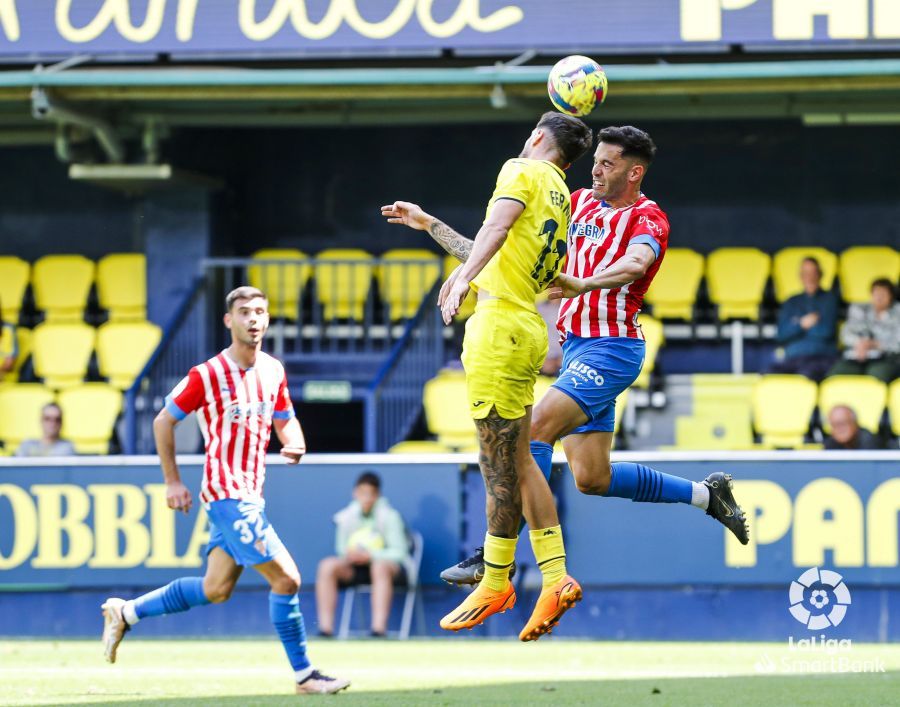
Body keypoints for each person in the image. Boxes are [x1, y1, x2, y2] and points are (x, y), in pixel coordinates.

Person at [439, 126, 750, 587]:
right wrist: (433, 226)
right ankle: (708, 495)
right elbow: (508, 247)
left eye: (608, 163)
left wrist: (583, 283)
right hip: (576, 349)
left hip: (612, 349)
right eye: (596, 160)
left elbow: (635, 265)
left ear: (634, 171)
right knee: (592, 478)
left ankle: (495, 552)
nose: (596, 169)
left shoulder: (649, 218)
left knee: (533, 433)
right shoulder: (577, 202)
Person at [382, 111, 594, 641]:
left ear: (538, 138)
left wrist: (461, 280)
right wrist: (430, 225)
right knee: (519, 459)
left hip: (498, 330)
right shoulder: (561, 198)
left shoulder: (519, 168)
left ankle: (498, 579)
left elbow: (494, 233)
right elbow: (496, 247)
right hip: (523, 323)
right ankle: (553, 576)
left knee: (497, 462)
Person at [100, 286, 349, 696]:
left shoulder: (272, 370)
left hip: (252, 492)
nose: (253, 319)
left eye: (260, 312)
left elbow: (284, 416)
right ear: (228, 321)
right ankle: (305, 675)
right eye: (244, 312)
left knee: (215, 589)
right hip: (226, 492)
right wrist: (173, 480)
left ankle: (125, 612)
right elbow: (164, 421)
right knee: (287, 579)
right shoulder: (207, 374)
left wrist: (295, 440)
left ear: (267, 320)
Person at [315, 471, 410, 638]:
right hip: (355, 569)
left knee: (379, 568)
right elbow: (341, 549)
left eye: (370, 494)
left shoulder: (390, 516)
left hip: (386, 570)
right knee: (327, 565)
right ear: (355, 494)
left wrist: (371, 556)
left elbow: (399, 552)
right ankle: (325, 629)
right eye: (362, 494)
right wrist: (352, 555)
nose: (366, 499)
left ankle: (378, 630)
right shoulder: (345, 517)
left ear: (377, 495)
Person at [770, 257, 838, 381]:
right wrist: (802, 324)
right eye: (805, 273)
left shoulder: (830, 299)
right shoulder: (791, 301)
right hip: (794, 358)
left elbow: (826, 332)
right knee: (768, 374)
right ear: (800, 276)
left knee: (805, 375)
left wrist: (795, 327)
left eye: (813, 273)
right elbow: (781, 335)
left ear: (820, 275)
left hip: (820, 358)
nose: (809, 277)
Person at [828, 278, 900, 382]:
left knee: (877, 374)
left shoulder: (898, 312)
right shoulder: (860, 309)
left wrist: (875, 344)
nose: (879, 298)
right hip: (857, 356)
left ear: (891, 296)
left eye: (883, 294)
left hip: (887, 359)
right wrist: (859, 343)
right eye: (876, 294)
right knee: (836, 373)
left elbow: (897, 343)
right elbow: (846, 334)